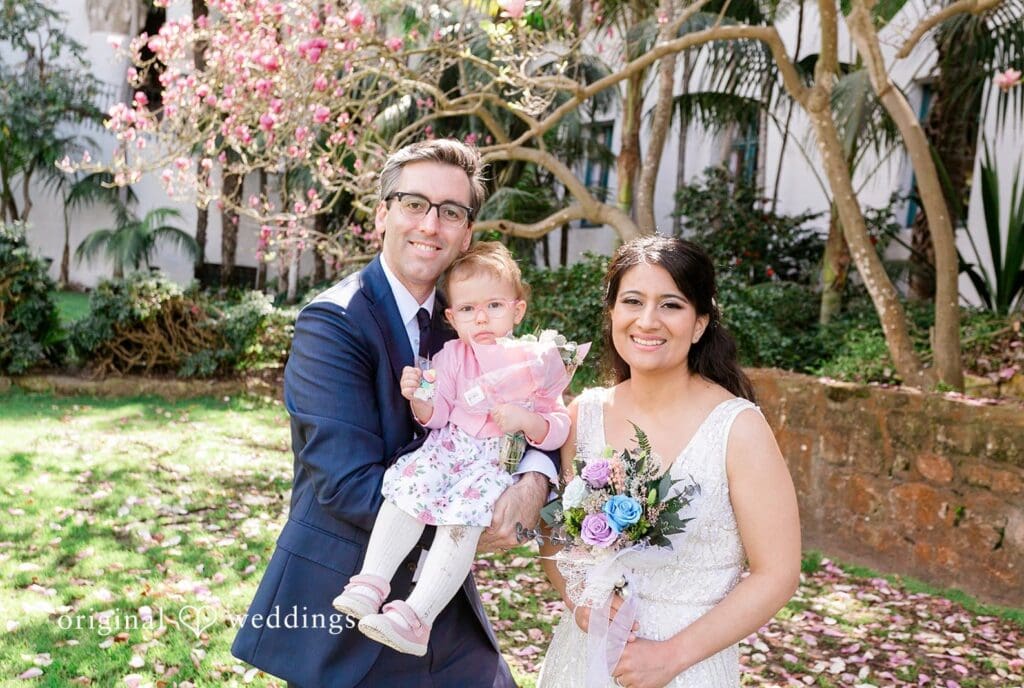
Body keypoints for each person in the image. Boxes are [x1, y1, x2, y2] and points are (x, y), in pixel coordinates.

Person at [231, 140, 557, 687]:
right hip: (347, 607)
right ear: (383, 213)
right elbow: (344, 483)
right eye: (414, 203)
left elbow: (537, 405)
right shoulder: (333, 323)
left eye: (451, 212)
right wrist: (474, 520)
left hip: (438, 603)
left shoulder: (472, 321)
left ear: (467, 232)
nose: (431, 224)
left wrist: (533, 483)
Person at [537, 235, 801, 688]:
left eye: (671, 305)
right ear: (613, 313)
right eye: (633, 301)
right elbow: (554, 536)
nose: (647, 320)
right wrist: (581, 602)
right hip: (584, 659)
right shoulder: (584, 414)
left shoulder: (737, 428)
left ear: (699, 323)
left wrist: (670, 657)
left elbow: (777, 574)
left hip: (688, 669)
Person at [332, 241, 570, 657]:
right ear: (451, 317)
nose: (481, 318)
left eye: (494, 306)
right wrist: (418, 395)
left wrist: (528, 421)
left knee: (461, 524)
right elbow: (436, 414)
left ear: (517, 310)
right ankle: (371, 581)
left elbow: (559, 426)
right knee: (406, 491)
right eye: (467, 309)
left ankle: (417, 616)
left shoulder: (536, 362)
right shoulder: (451, 355)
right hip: (447, 452)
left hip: (491, 464)